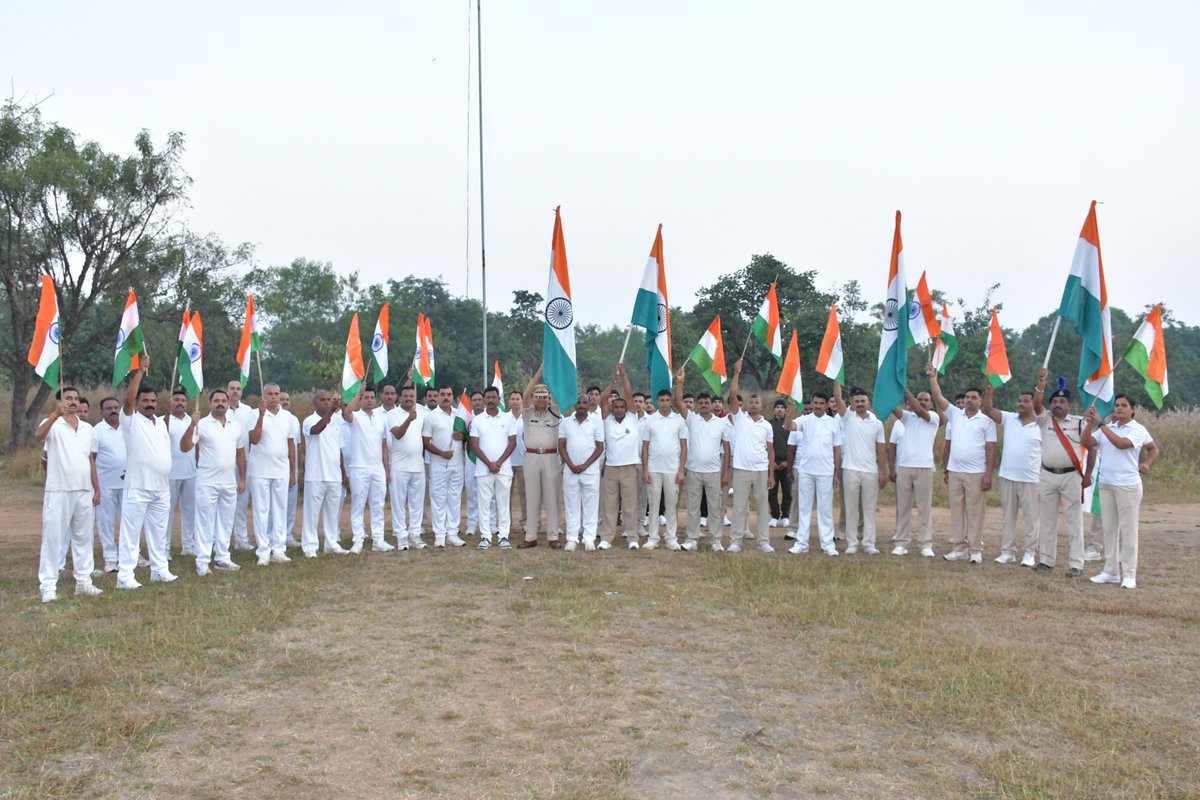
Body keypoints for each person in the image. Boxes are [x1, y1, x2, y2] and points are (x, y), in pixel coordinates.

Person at [35, 387, 102, 602]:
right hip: (59, 489)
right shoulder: (52, 424)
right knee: (53, 538)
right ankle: (48, 585)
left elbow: (90, 459)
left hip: (83, 490)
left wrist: (96, 488)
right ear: (59, 402)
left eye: (75, 398)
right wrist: (55, 415)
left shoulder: (87, 428)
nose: (73, 402)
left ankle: (83, 581)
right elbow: (38, 437)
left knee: (83, 537)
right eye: (68, 398)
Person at [1084, 395, 1158, 589]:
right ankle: (1110, 571)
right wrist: (1089, 422)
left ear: (1132, 409)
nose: (1119, 408)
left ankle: (1129, 574)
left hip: (1127, 485)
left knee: (1128, 530)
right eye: (1117, 405)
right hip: (1106, 483)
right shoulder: (1109, 427)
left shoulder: (1137, 429)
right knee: (1109, 529)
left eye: (1124, 406)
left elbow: (1126, 445)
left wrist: (1146, 464)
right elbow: (1088, 442)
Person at [928, 365, 996, 563]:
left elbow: (991, 449)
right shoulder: (955, 415)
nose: (969, 400)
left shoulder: (986, 422)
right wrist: (933, 377)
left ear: (981, 401)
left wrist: (988, 474)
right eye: (967, 397)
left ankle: (975, 550)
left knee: (975, 513)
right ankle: (959, 548)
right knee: (957, 511)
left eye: (974, 397)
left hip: (976, 473)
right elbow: (938, 396)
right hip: (956, 472)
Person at [116, 360, 175, 588]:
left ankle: (159, 570)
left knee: (159, 533)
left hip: (161, 488)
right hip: (138, 487)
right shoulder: (131, 421)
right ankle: (125, 577)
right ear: (138, 403)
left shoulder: (160, 423)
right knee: (131, 534)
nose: (149, 404)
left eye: (152, 401)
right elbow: (128, 401)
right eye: (145, 401)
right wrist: (140, 372)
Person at [181, 388, 246, 574]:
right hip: (207, 481)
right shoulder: (201, 424)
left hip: (228, 481)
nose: (220, 403)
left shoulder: (235, 425)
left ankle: (222, 558)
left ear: (227, 403)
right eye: (216, 400)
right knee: (205, 522)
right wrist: (192, 425)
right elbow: (185, 447)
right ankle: (202, 561)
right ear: (210, 404)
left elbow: (240, 453)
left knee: (226, 521)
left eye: (223, 400)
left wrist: (241, 478)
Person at [1036, 377, 1095, 577]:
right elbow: (1036, 405)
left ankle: (1076, 563)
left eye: (1062, 402)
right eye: (1054, 402)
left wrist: (1087, 475)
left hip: (1071, 476)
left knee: (1074, 521)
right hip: (1047, 474)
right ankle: (1046, 560)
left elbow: (1092, 448)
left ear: (1069, 405)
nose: (1057, 405)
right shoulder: (1045, 420)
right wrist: (1041, 384)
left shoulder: (1080, 423)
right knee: (1048, 520)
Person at [983, 377, 1044, 566]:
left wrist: (1040, 385)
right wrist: (990, 392)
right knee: (1008, 516)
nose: (1021, 404)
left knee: (1032, 518)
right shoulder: (1009, 418)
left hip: (1031, 479)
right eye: (1019, 401)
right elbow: (988, 410)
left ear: (1034, 403)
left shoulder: (1042, 424)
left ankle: (1030, 553)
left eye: (1026, 401)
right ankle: (1007, 551)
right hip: (1008, 476)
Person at [674, 366, 731, 552]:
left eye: (707, 402)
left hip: (714, 472)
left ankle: (715, 540)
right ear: (697, 405)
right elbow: (678, 402)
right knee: (693, 508)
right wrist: (680, 382)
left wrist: (725, 473)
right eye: (701, 403)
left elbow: (727, 449)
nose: (705, 405)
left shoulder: (721, 423)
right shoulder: (691, 419)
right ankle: (691, 539)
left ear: (712, 404)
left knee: (715, 508)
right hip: (694, 471)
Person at [725, 359, 775, 553]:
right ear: (745, 404)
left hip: (761, 470)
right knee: (739, 507)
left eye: (757, 402)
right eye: (750, 402)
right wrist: (736, 372)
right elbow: (732, 395)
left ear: (762, 406)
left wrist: (771, 474)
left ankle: (763, 541)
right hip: (741, 469)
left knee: (762, 507)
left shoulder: (767, 425)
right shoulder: (740, 419)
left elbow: (770, 450)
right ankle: (735, 541)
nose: (754, 405)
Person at [889, 388, 944, 557]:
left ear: (931, 404)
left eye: (926, 400)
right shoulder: (907, 418)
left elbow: (920, 411)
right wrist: (890, 385)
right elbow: (892, 407)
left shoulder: (933, 417)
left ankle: (925, 544)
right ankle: (901, 542)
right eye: (920, 399)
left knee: (924, 508)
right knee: (903, 507)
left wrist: (905, 390)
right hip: (905, 466)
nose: (922, 402)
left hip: (924, 467)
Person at [247, 382, 298, 566]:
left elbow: (291, 445)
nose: (274, 397)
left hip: (281, 470)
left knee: (280, 509)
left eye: (277, 393)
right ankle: (263, 550)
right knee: (261, 510)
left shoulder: (288, 417)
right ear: (264, 395)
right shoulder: (253, 414)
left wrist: (292, 471)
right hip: (260, 470)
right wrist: (261, 416)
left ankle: (279, 548)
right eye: (270, 394)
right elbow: (254, 439)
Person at [832, 384, 886, 554]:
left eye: (863, 401)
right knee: (850, 507)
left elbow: (881, 449)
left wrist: (883, 472)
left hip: (870, 471)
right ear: (852, 403)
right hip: (850, 470)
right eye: (857, 401)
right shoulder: (848, 418)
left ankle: (869, 543)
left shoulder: (877, 424)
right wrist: (836, 378)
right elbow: (838, 399)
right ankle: (852, 543)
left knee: (869, 509)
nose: (860, 404)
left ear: (868, 403)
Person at [788, 391, 843, 556]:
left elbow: (837, 449)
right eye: (815, 403)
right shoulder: (804, 420)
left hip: (825, 472)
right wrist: (791, 409)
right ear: (811, 404)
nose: (817, 406)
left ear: (826, 405)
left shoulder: (833, 423)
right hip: (805, 471)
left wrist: (836, 474)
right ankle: (801, 544)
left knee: (825, 510)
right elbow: (788, 426)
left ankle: (828, 545)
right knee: (804, 508)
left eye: (820, 403)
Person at [342, 385, 393, 553]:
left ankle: (378, 539)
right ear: (361, 399)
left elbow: (384, 445)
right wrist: (357, 394)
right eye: (366, 397)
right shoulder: (356, 416)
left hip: (377, 468)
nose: (370, 400)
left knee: (378, 504)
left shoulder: (380, 418)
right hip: (359, 467)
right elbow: (346, 413)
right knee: (358, 503)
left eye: (372, 397)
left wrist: (386, 469)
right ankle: (358, 539)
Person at [518, 367, 563, 548]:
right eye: (539, 396)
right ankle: (531, 536)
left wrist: (551, 378)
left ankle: (553, 536)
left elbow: (559, 396)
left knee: (552, 498)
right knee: (532, 497)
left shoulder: (555, 412)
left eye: (545, 396)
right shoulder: (528, 412)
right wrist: (537, 376)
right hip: (532, 457)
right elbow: (525, 396)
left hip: (551, 457)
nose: (541, 399)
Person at [302, 389, 349, 556]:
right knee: (312, 514)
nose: (327, 402)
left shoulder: (336, 422)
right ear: (315, 403)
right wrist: (331, 412)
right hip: (315, 475)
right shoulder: (309, 420)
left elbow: (339, 450)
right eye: (322, 399)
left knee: (333, 513)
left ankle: (331, 543)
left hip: (334, 476)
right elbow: (316, 430)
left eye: (328, 399)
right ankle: (310, 546)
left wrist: (343, 474)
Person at [470, 385, 517, 549]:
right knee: (484, 504)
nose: (490, 400)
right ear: (484, 400)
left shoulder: (508, 419)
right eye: (488, 398)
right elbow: (474, 445)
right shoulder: (477, 420)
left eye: (493, 397)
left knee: (503, 504)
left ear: (498, 399)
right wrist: (489, 464)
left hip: (503, 469)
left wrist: (499, 462)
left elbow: (513, 443)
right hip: (483, 470)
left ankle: (504, 536)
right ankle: (486, 537)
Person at [599, 366, 642, 550]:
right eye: (615, 406)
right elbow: (602, 400)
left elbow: (630, 396)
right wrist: (612, 383)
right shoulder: (606, 419)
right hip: (610, 468)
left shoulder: (632, 418)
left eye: (621, 407)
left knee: (630, 505)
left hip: (629, 468)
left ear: (626, 409)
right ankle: (607, 538)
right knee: (609, 505)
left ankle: (632, 537)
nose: (618, 409)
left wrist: (625, 377)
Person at [641, 388, 688, 550]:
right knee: (653, 504)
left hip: (672, 469)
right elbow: (645, 446)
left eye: (668, 400)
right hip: (654, 469)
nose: (665, 403)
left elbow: (684, 447)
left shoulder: (679, 420)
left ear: (671, 401)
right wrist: (645, 470)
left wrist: (681, 470)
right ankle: (653, 537)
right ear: (657, 401)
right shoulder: (650, 420)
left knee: (671, 504)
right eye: (662, 400)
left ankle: (671, 537)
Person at [559, 393, 605, 551]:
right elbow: (561, 446)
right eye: (578, 402)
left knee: (591, 506)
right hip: (570, 471)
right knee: (571, 505)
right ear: (574, 404)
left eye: (584, 402)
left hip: (590, 471)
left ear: (588, 404)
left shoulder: (597, 422)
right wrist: (571, 464)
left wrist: (585, 465)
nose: (581, 405)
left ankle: (589, 538)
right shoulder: (565, 422)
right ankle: (571, 538)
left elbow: (600, 447)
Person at [421, 386, 467, 547]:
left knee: (454, 498)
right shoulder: (431, 417)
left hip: (457, 465)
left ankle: (452, 533)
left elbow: (468, 436)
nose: (446, 397)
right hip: (438, 465)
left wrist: (462, 436)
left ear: (453, 396)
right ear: (438, 397)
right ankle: (439, 534)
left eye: (449, 394)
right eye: (443, 395)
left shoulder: (459, 415)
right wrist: (441, 453)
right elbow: (425, 442)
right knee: (439, 499)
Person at [388, 385, 427, 550]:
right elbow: (397, 434)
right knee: (398, 503)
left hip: (418, 465)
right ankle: (401, 535)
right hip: (399, 466)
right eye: (406, 396)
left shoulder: (422, 414)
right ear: (400, 398)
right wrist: (409, 419)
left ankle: (414, 534)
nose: (409, 398)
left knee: (417, 503)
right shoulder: (393, 414)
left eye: (412, 395)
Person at [91, 396, 126, 573]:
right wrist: (96, 488)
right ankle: (110, 558)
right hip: (106, 485)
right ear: (102, 412)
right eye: (108, 408)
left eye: (115, 407)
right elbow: (92, 460)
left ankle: (129, 555)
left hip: (127, 485)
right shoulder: (96, 431)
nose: (113, 410)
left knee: (128, 521)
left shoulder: (127, 428)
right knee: (106, 522)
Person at [164, 389, 197, 557]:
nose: (180, 402)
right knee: (166, 511)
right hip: (169, 473)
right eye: (176, 399)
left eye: (183, 400)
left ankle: (188, 545)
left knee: (190, 510)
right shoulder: (164, 420)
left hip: (190, 472)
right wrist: (166, 415)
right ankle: (164, 547)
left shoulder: (192, 421)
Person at [226, 379, 258, 551]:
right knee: (223, 504)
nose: (235, 392)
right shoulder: (220, 410)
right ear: (227, 390)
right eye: (232, 388)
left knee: (241, 503)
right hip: (225, 463)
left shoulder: (249, 412)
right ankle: (219, 541)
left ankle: (242, 540)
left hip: (245, 461)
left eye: (238, 389)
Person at [280, 391, 303, 548]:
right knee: (276, 504)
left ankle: (287, 534)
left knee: (290, 504)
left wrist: (300, 468)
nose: (285, 402)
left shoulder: (294, 420)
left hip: (292, 467)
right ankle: (273, 535)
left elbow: (298, 446)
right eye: (282, 399)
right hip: (277, 467)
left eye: (287, 399)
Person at [463, 390, 486, 536]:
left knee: (489, 494)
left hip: (486, 458)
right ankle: (472, 524)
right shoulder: (466, 417)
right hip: (471, 457)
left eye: (479, 399)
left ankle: (490, 523)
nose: (477, 402)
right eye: (474, 400)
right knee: (472, 492)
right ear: (471, 402)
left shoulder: (488, 417)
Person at [768, 399, 792, 529]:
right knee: (772, 491)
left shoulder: (789, 424)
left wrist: (787, 461)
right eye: (777, 407)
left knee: (787, 491)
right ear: (774, 409)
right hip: (772, 463)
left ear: (785, 410)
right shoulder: (768, 424)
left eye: (782, 407)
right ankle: (774, 515)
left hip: (786, 463)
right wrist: (771, 462)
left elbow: (793, 444)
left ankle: (786, 516)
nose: (779, 409)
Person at [508, 390, 527, 533]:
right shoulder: (504, 417)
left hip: (523, 461)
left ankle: (525, 522)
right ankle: (506, 523)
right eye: (512, 399)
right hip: (507, 462)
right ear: (509, 401)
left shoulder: (526, 417)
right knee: (505, 494)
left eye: (517, 399)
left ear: (521, 401)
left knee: (524, 494)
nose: (515, 401)